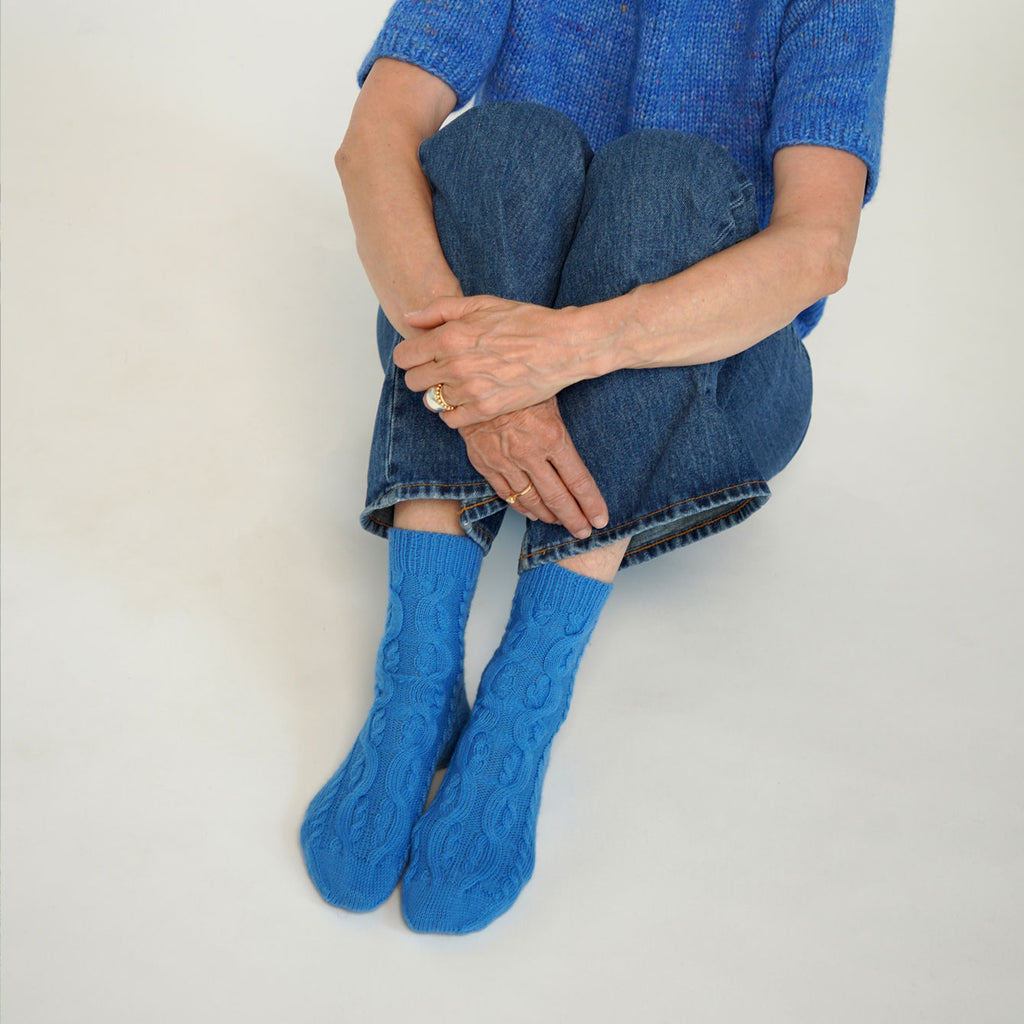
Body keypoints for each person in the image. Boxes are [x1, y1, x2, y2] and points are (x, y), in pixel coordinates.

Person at [300, 0, 894, 935]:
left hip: (718, 377)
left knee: (670, 175)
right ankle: (415, 683)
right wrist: (492, 387)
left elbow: (817, 248)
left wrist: (566, 350)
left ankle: (524, 702)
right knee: (502, 146)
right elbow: (373, 140)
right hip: (487, 342)